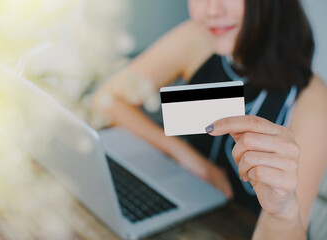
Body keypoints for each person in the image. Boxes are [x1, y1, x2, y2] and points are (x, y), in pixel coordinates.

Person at [92, 0, 327, 239]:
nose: (213, 9)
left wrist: (282, 212)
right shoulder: (197, 38)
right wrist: (189, 158)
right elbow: (107, 101)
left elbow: (293, 229)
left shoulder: (311, 98)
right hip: (185, 213)